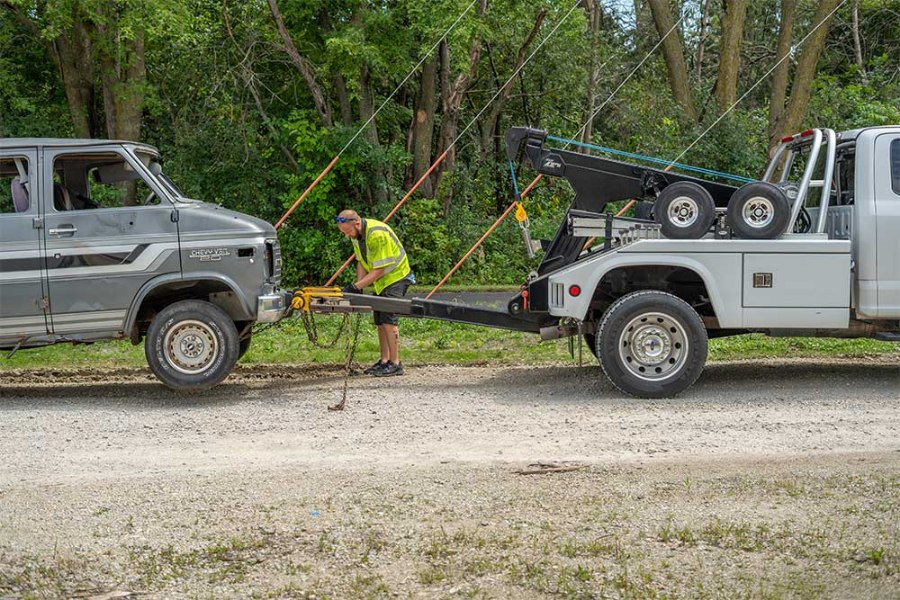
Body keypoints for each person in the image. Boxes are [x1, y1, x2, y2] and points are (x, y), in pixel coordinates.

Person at [336, 209, 413, 377]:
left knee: (389, 319)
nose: (347, 236)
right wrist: (359, 286)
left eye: (348, 232)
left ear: (356, 223)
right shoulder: (357, 236)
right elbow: (362, 262)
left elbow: (379, 270)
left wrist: (355, 287)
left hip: (396, 277)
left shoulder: (376, 234)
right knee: (379, 320)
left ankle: (395, 363)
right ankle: (384, 361)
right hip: (382, 281)